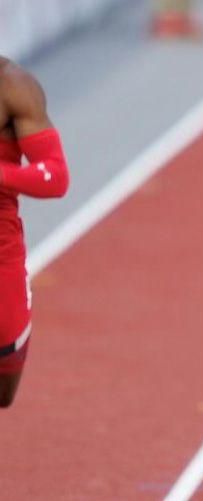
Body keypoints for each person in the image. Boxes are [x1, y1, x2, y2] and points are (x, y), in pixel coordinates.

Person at [0, 57, 70, 407]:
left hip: (2, 257)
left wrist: (3, 175)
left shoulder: (13, 87)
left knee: (3, 393)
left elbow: (56, 176)